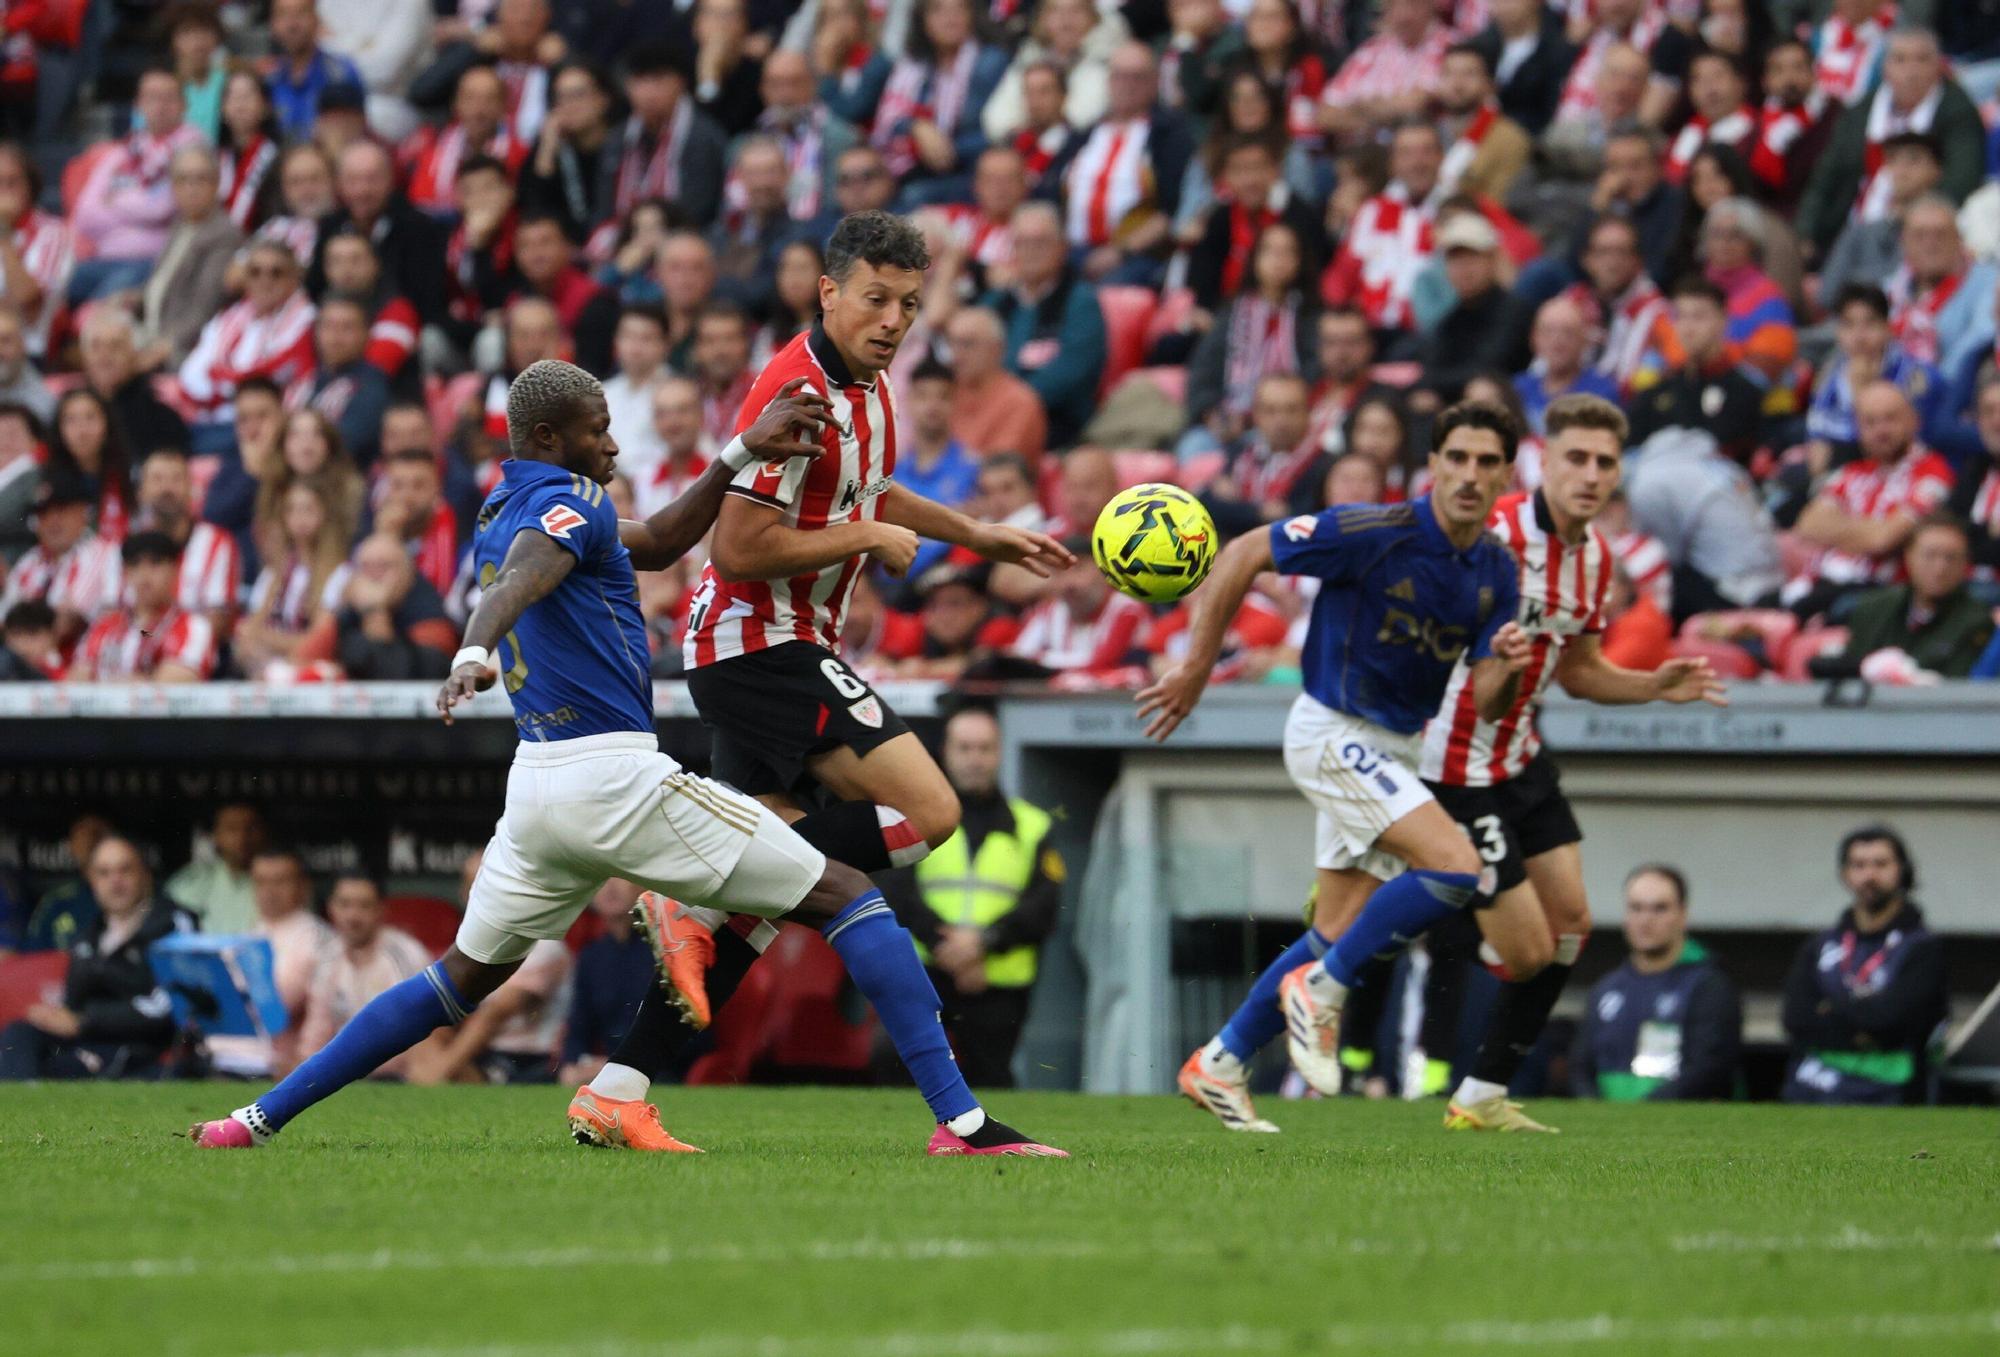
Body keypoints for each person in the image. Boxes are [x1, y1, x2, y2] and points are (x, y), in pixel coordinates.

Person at [194, 355, 1063, 1157]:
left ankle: (256, 1117)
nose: (612, 440)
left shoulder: (511, 506)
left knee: (459, 976)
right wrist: (473, 650)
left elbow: (663, 541)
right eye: (596, 427)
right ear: (547, 438)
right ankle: (962, 1120)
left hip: (538, 791)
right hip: (613, 775)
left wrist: (733, 453)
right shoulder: (563, 510)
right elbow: (524, 577)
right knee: (849, 893)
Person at [1145, 401, 1530, 1132]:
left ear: (1507, 473)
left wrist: (1507, 666)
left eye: (1488, 462)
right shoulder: (1372, 531)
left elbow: (1484, 700)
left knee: (1338, 925)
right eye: (1458, 458)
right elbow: (1243, 551)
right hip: (1330, 730)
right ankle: (1321, 992)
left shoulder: (1497, 570)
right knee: (1455, 868)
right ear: (1435, 464)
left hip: (1396, 747)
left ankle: (1220, 1062)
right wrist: (1197, 668)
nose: (1471, 475)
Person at [1409, 396, 1726, 1133]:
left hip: (1520, 757)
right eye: (1575, 458)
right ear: (1543, 462)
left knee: (1573, 925)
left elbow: (1580, 670)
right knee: (1525, 950)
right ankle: (1364, 923)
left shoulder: (1595, 559)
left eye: (1604, 462)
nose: (1590, 474)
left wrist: (1652, 685)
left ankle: (1481, 1093)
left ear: (1619, 472)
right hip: (1455, 765)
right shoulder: (1495, 533)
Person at [880, 707, 1060, 1088]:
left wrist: (983, 945)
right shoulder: (916, 819)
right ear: (945, 752)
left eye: (984, 748)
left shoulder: (1032, 825)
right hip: (926, 971)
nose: (975, 759)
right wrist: (949, 946)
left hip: (998, 979)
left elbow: (1043, 907)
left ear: (999, 753)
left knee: (992, 1082)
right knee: (894, 1066)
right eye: (965, 748)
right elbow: (895, 890)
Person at [0, 837, 193, 1080]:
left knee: (55, 1069)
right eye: (104, 873)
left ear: (145, 874)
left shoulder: (172, 923)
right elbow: (74, 1003)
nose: (115, 881)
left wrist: (85, 1021)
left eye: (125, 870)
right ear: (92, 881)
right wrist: (57, 1017)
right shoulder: (89, 935)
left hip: (140, 1049)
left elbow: (169, 1006)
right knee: (18, 1034)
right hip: (86, 1041)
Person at [1782, 826, 1948, 1105]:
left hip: (1892, 1095)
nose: (1869, 875)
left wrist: (1833, 1007)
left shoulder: (1922, 948)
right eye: (1858, 865)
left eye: (1880, 864)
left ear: (1902, 870)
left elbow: (1895, 1023)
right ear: (1845, 874)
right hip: (1812, 1088)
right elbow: (1796, 1018)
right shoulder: (1820, 946)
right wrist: (1866, 1019)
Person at [1796, 29, 1986, 258]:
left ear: (1939, 66)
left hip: (1920, 236)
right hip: (1849, 231)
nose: (1911, 71)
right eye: (1900, 59)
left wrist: (1908, 220)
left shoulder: (1958, 111)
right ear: (1885, 68)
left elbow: (1961, 180)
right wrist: (1805, 234)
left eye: (1922, 59)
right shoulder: (1860, 112)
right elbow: (1825, 178)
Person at [1786, 381, 1955, 620]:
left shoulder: (1933, 473)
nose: (1881, 430)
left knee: (1799, 614)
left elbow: (1882, 540)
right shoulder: (1851, 472)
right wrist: (1870, 530)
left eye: (1890, 419)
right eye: (1870, 422)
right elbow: (1807, 525)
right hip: (1823, 582)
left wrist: (1841, 527)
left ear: (1914, 420)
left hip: (1879, 592)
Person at [1571, 864, 1742, 1101]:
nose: (1645, 920)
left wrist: (1645, 1112)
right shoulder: (1606, 989)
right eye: (1636, 908)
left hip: (1677, 1125)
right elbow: (1581, 1067)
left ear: (1683, 915)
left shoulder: (1708, 985)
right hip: (1607, 1126)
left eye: (1659, 908)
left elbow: (1709, 1068)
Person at [68, 69, 208, 303]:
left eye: (169, 98)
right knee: (53, 292)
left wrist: (116, 200)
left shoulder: (193, 148)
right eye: (152, 98)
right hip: (103, 258)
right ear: (138, 104)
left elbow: (161, 208)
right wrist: (137, 210)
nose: (160, 106)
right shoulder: (124, 150)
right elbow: (85, 213)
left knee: (102, 307)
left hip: (153, 261)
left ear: (184, 105)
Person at [981, 201, 1107, 446]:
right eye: (1022, 243)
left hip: (1057, 427)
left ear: (1062, 247)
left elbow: (1068, 375)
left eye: (1040, 242)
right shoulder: (995, 302)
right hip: (992, 417)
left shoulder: (1081, 303)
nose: (1030, 251)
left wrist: (1002, 404)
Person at [1813, 514, 1995, 681]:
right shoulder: (1873, 608)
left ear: (1966, 565)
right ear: (1909, 557)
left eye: (1951, 558)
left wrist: (1901, 672)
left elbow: (1957, 687)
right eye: (1930, 555)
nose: (1940, 568)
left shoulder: (1977, 620)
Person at [292, 873, 431, 1075]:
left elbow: (418, 1036)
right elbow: (315, 1035)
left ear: (381, 910)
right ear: (331, 908)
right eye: (344, 904)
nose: (353, 916)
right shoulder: (327, 958)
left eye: (364, 906)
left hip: (400, 1076)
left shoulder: (404, 953)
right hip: (347, 1076)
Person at [1626, 277, 1764, 465]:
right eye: (1680, 317)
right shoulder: (1657, 391)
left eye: (1699, 317)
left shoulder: (1746, 392)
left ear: (1723, 321)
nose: (1688, 327)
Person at [599, 43, 728, 230]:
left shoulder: (704, 138)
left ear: (681, 83)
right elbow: (603, 208)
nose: (649, 92)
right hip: (623, 239)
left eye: (658, 80)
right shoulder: (616, 139)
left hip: (684, 238)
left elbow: (701, 210)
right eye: (640, 80)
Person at [69, 532, 219, 682]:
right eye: (135, 564)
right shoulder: (104, 627)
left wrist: (106, 684)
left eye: (155, 563)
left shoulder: (193, 627)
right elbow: (76, 681)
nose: (144, 575)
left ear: (175, 569)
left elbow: (172, 684)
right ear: (126, 573)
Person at [0, 477, 123, 655]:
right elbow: (7, 618)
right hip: (29, 662)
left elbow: (68, 621)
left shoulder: (101, 552)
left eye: (61, 510)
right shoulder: (30, 561)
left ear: (83, 512)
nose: (52, 521)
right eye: (44, 514)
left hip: (81, 660)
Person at [555, 879, 658, 1086]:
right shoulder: (592, 956)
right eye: (602, 878)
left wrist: (619, 1064)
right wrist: (570, 1064)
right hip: (605, 1069)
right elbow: (579, 1024)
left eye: (620, 876)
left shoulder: (665, 950)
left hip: (662, 1071)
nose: (610, 887)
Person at [333, 533, 459, 679]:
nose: (373, 576)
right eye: (366, 567)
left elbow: (401, 674)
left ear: (407, 572)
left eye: (383, 566)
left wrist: (375, 611)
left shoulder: (428, 611)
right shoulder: (351, 604)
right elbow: (308, 655)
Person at [944, 306, 1047, 464]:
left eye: (967, 344)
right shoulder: (943, 392)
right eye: (952, 344)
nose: (956, 355)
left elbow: (999, 470)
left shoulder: (1019, 403)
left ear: (997, 349)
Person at [1435, 44, 1531, 202]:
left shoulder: (1511, 139)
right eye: (1448, 74)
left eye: (1469, 74)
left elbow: (1499, 205)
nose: (1456, 84)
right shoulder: (1425, 132)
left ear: (1491, 85)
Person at [1514, 296, 1619, 435]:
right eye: (1548, 331)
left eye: (1568, 332)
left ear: (1584, 340)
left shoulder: (1602, 392)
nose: (1557, 340)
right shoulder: (1517, 389)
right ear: (1534, 338)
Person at [265, 0, 367, 140]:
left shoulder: (340, 74)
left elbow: (351, 138)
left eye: (300, 13)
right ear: (272, 24)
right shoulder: (268, 80)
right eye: (282, 15)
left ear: (317, 19)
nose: (291, 24)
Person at [164, 804, 266, 935]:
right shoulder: (194, 879)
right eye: (232, 829)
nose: (242, 837)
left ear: (264, 833)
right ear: (216, 835)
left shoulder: (278, 881)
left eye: (251, 828)